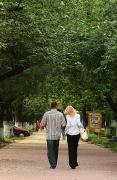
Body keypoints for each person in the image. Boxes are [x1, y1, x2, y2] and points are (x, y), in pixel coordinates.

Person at [40, 102, 66, 169]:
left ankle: (53, 164)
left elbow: (42, 124)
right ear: (56, 106)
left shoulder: (46, 114)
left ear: (51, 106)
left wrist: (43, 127)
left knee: (50, 151)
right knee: (55, 150)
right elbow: (63, 125)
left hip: (49, 135)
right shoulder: (60, 114)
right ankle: (54, 163)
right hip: (57, 135)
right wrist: (63, 133)